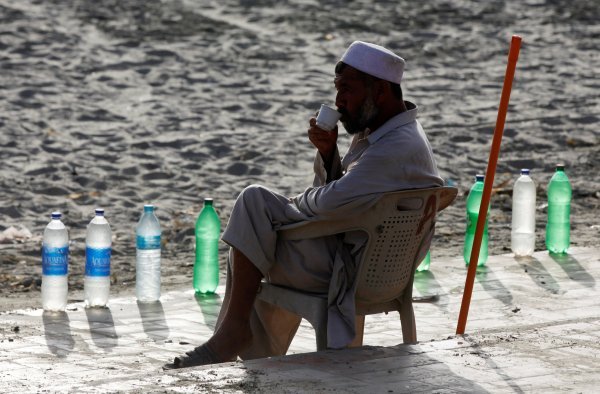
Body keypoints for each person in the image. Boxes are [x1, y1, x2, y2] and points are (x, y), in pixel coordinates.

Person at [164, 41, 443, 369]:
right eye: (337, 90)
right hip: (381, 271)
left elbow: (329, 203)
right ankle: (248, 344)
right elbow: (350, 197)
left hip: (351, 273)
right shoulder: (401, 133)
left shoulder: (390, 148)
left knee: (253, 208)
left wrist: (289, 207)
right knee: (253, 235)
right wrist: (328, 153)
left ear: (380, 91)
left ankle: (235, 335)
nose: (339, 101)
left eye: (347, 90)